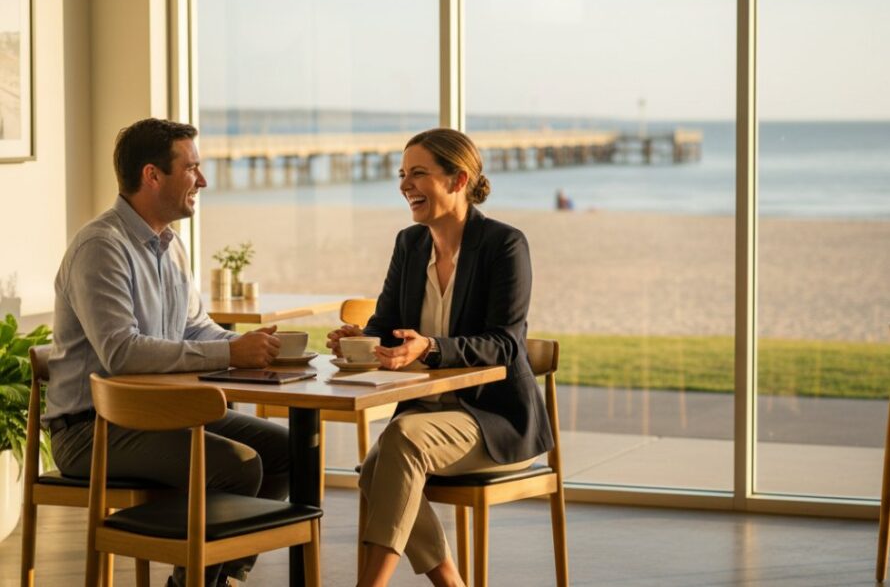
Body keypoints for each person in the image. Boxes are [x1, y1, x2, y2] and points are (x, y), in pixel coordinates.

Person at [45, 118, 287, 587]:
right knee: (239, 466)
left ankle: (219, 577)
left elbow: (194, 327)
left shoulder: (170, 245)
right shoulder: (102, 247)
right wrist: (230, 354)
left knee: (282, 450)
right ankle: (190, 582)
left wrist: (258, 349)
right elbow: (123, 353)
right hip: (91, 430)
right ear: (153, 175)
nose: (203, 180)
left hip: (160, 415)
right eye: (192, 167)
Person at [327, 128, 554, 587]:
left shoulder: (504, 246)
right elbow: (387, 326)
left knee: (397, 444)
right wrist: (361, 340)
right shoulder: (409, 245)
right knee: (376, 467)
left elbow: (507, 344)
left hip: (494, 419)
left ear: (457, 180)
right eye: (402, 174)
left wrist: (430, 347)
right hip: (430, 414)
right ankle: (452, 584)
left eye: (418, 174)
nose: (405, 185)